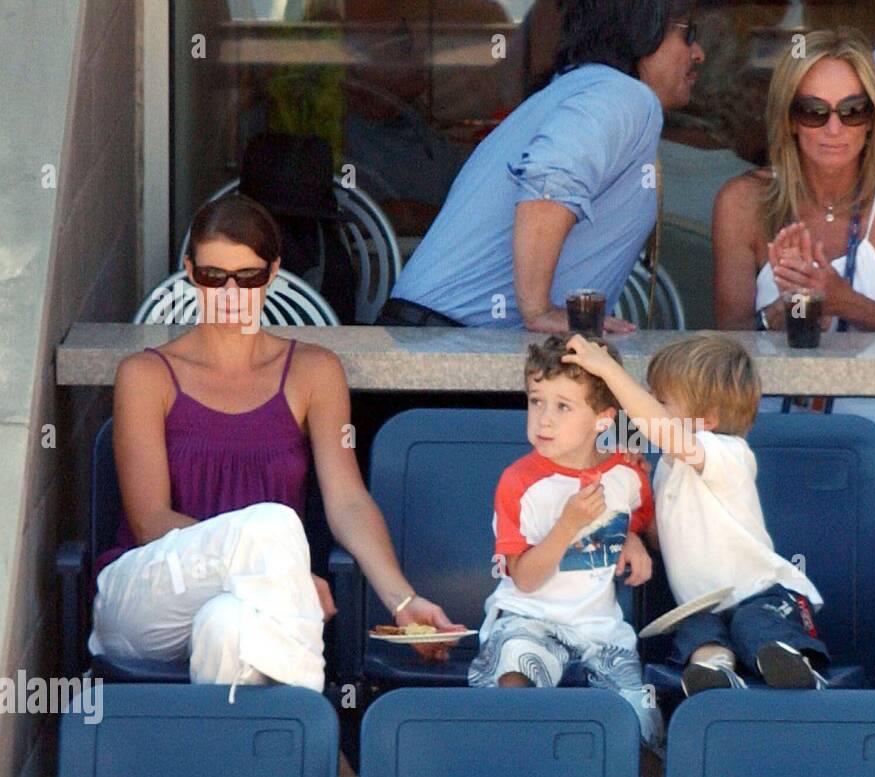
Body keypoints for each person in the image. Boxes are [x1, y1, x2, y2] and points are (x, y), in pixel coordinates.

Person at [91, 195, 465, 691]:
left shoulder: (313, 371)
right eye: (211, 276)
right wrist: (278, 572)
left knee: (227, 629)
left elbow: (348, 500)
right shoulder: (145, 374)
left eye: (246, 277)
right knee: (273, 524)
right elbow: (150, 522)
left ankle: (253, 763)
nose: (229, 293)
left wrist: (402, 601)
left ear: (271, 274)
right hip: (145, 599)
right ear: (188, 272)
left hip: (255, 608)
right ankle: (329, 753)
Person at [712, 26, 875, 501]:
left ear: (873, 119)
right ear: (789, 120)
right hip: (766, 416)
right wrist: (776, 317)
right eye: (814, 112)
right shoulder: (742, 201)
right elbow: (725, 346)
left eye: (852, 110)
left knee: (858, 463)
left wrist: (846, 301)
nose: (835, 128)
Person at [379, 0, 704, 331]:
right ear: (641, 33)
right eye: (687, 34)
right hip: (451, 347)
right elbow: (550, 178)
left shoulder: (579, 88)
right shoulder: (623, 95)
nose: (698, 53)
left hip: (434, 334)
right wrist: (538, 311)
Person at [562, 333, 827, 694]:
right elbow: (665, 536)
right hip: (703, 607)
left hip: (764, 594)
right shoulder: (669, 465)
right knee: (695, 632)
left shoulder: (728, 453)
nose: (651, 407)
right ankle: (714, 669)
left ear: (709, 419)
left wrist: (608, 370)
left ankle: (792, 665)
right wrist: (635, 511)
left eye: (662, 401)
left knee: (754, 625)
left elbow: (661, 429)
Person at [470, 336, 662, 746]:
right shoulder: (519, 482)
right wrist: (566, 526)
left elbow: (641, 518)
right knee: (515, 672)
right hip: (530, 616)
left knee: (642, 719)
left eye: (563, 406)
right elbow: (524, 579)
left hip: (599, 630)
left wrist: (631, 536)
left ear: (603, 420)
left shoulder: (627, 474)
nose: (544, 419)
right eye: (536, 401)